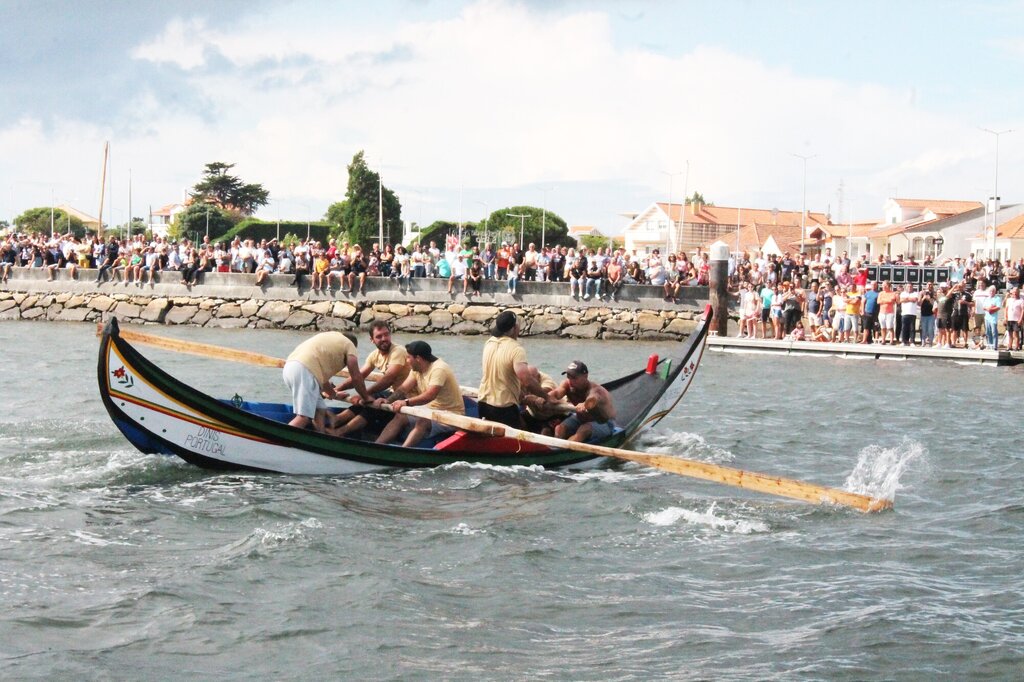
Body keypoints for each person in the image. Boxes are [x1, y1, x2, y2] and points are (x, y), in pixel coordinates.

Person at [374, 341, 464, 448]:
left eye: (408, 357)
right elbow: (402, 389)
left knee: (423, 421)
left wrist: (406, 402)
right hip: (430, 409)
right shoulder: (416, 369)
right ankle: (377, 445)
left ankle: (404, 451)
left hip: (451, 414)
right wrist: (388, 401)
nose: (407, 361)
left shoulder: (439, 369)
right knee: (401, 416)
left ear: (418, 358)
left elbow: (430, 395)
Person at [332, 322, 412, 438]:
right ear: (372, 340)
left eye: (386, 335)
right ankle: (336, 421)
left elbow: (388, 379)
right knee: (366, 401)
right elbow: (358, 376)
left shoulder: (398, 351)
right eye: (379, 336)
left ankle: (340, 432)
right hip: (391, 393)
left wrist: (364, 394)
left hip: (407, 396)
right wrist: (335, 390)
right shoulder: (374, 355)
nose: (384, 339)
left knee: (371, 403)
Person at [283, 331, 371, 431]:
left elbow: (323, 380)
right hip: (305, 371)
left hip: (290, 367)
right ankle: (282, 441)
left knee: (320, 410)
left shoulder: (330, 337)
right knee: (303, 417)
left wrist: (334, 394)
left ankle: (319, 437)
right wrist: (366, 398)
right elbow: (356, 377)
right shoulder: (350, 345)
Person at [477, 311, 551, 428]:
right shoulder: (516, 349)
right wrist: (547, 397)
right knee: (520, 435)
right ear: (515, 328)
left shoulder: (489, 342)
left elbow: (501, 374)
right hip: (503, 406)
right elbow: (526, 380)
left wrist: (521, 394)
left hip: (483, 403)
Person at [550, 361, 616, 443]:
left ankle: (566, 450)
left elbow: (592, 398)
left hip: (603, 422)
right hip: (580, 417)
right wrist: (544, 398)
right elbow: (556, 393)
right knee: (559, 429)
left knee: (584, 430)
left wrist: (585, 404)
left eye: (574, 378)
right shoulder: (567, 384)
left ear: (585, 376)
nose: (570, 381)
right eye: (568, 377)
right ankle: (555, 448)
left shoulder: (596, 390)